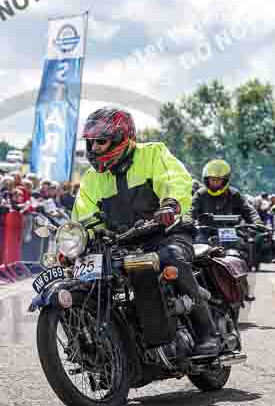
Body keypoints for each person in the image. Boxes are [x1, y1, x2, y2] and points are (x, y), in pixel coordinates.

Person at [71, 106, 222, 357]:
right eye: (91, 142)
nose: (94, 148)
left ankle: (207, 332)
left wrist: (171, 204)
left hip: (166, 233)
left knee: (171, 257)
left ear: (122, 138)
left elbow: (176, 179)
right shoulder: (91, 179)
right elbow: (84, 216)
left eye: (101, 142)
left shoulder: (152, 154)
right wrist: (80, 240)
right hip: (123, 243)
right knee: (91, 277)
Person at [190, 159, 261, 224]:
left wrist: (257, 221)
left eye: (218, 180)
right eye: (212, 179)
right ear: (207, 180)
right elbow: (191, 211)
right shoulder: (200, 194)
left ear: (225, 180)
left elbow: (248, 210)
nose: (215, 182)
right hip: (205, 232)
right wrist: (187, 220)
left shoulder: (234, 194)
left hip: (234, 232)